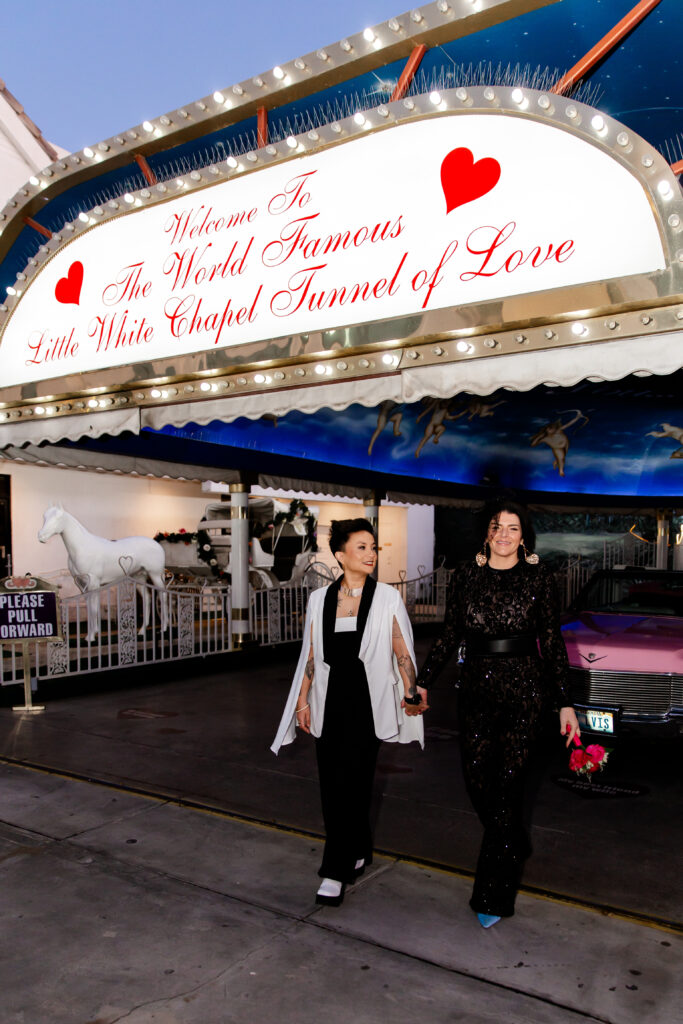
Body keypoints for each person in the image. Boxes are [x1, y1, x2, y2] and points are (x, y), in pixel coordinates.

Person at [416, 499, 580, 928]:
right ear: (486, 533)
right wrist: (423, 680)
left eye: (513, 528)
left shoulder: (540, 576)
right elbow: (451, 633)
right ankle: (512, 841)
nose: (504, 534)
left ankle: (492, 895)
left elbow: (553, 642)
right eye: (497, 526)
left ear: (524, 536)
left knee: (507, 789)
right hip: (475, 692)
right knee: (476, 781)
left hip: (526, 691)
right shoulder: (467, 576)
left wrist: (564, 701)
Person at [271, 518, 427, 906]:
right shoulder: (319, 600)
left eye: (374, 547)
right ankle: (357, 849)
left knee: (353, 782)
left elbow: (400, 648)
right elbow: (310, 654)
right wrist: (303, 701)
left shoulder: (387, 597)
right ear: (340, 555)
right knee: (332, 783)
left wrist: (411, 690)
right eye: (362, 547)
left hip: (367, 704)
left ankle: (334, 870)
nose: (371, 554)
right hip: (329, 700)